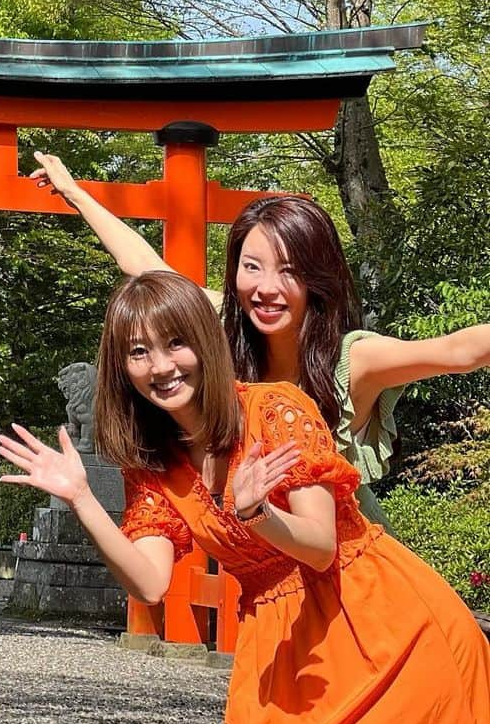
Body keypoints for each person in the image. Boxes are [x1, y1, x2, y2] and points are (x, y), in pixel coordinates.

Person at [0, 271, 490, 724]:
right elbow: (150, 583)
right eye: (139, 352)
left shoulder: (276, 409)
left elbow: (321, 549)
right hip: (280, 647)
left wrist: (260, 515)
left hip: (380, 620)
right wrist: (81, 497)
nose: (160, 367)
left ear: (205, 343)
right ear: (121, 368)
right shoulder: (153, 462)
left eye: (176, 343)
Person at [30, 151, 490, 523]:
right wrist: (75, 193)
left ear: (317, 278)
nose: (266, 288)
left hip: (351, 559)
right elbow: (146, 268)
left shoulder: (354, 359)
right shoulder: (223, 326)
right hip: (267, 550)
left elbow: (459, 351)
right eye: (252, 267)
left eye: (289, 270)